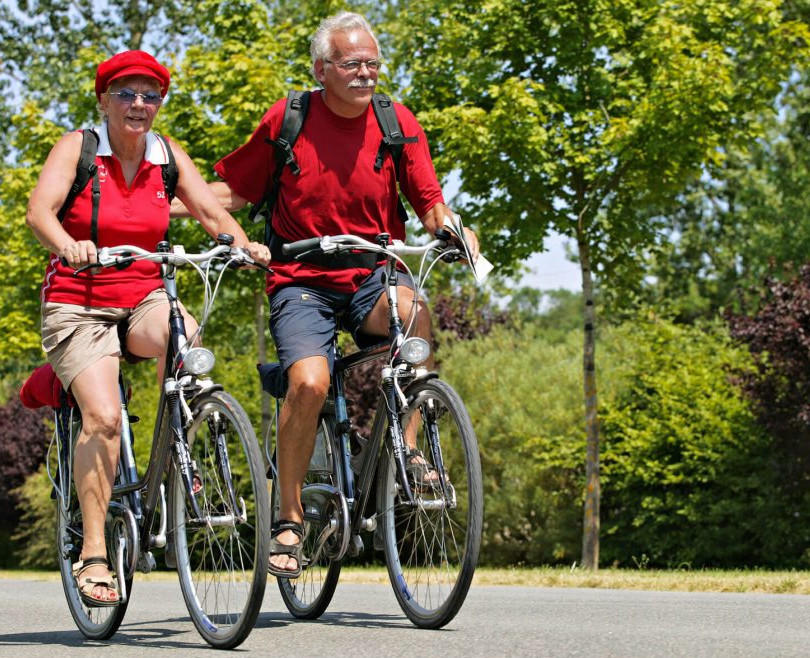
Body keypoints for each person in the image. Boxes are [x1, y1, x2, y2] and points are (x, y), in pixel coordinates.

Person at [181, 12, 479, 577]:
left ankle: (408, 451)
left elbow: (429, 200)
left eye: (372, 62)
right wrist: (158, 202)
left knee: (415, 314)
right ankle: (288, 521)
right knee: (310, 383)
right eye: (352, 64)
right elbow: (236, 192)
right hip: (302, 282)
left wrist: (453, 228)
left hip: (371, 275)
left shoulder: (396, 120)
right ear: (322, 69)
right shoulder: (289, 118)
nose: (366, 73)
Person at [26, 50, 270, 606]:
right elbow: (39, 211)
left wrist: (243, 245)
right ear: (104, 100)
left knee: (183, 337)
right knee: (105, 416)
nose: (139, 104)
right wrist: (69, 246)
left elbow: (212, 214)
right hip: (78, 300)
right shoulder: (78, 148)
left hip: (142, 295)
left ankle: (174, 448)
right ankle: (92, 555)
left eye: (150, 95)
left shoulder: (166, 156)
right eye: (126, 94)